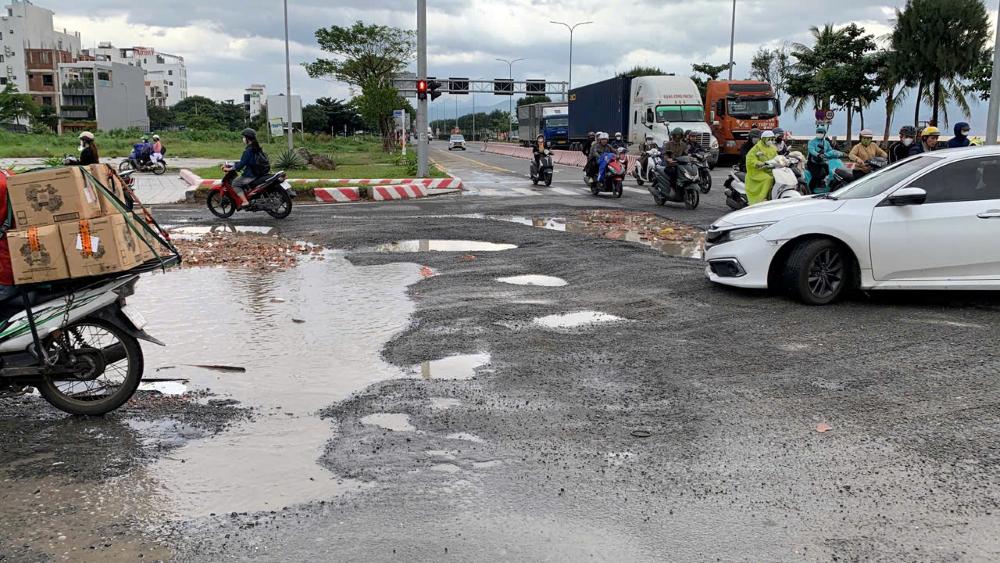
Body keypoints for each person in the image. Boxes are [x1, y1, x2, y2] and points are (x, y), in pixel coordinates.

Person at [224, 128, 268, 207]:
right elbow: (246, 161)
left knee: (235, 183)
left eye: (244, 137)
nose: (243, 139)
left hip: (251, 174)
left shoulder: (248, 150)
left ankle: (245, 201)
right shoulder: (257, 148)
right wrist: (235, 164)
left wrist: (229, 168)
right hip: (260, 172)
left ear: (247, 139)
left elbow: (242, 164)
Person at [745, 130, 778, 205]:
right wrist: (758, 163)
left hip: (770, 170)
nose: (770, 141)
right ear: (763, 139)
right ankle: (761, 199)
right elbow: (750, 159)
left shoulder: (772, 148)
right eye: (768, 139)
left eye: (772, 139)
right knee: (768, 179)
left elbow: (776, 157)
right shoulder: (757, 148)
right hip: (757, 171)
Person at [806, 126, 843, 192]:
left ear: (824, 134)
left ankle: (825, 186)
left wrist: (837, 153)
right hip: (813, 163)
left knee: (831, 173)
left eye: (821, 132)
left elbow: (830, 151)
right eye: (818, 132)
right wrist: (818, 154)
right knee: (816, 176)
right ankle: (810, 190)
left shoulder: (826, 143)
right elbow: (811, 150)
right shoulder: (811, 142)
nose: (819, 133)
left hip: (822, 162)